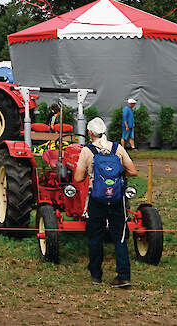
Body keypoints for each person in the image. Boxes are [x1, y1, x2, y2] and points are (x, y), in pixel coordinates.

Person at [73, 117, 138, 289]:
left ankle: (96, 274)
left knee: (95, 237)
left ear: (90, 133)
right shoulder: (118, 148)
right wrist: (117, 174)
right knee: (120, 236)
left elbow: (78, 178)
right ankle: (123, 276)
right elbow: (133, 171)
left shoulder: (87, 151)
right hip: (117, 199)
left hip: (97, 199)